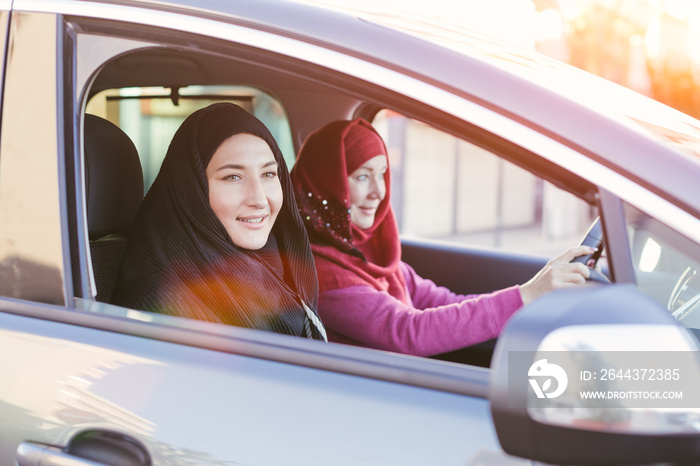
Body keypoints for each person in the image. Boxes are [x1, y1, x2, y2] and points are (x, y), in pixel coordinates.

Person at [290, 118, 592, 355]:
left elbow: (442, 303)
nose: (378, 192)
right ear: (327, 185)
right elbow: (407, 331)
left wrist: (535, 298)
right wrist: (525, 295)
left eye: (382, 174)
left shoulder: (371, 255)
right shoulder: (324, 275)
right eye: (361, 176)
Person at [111, 103, 326, 341]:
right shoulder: (167, 303)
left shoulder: (275, 262)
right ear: (192, 191)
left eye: (268, 174)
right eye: (233, 177)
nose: (259, 199)